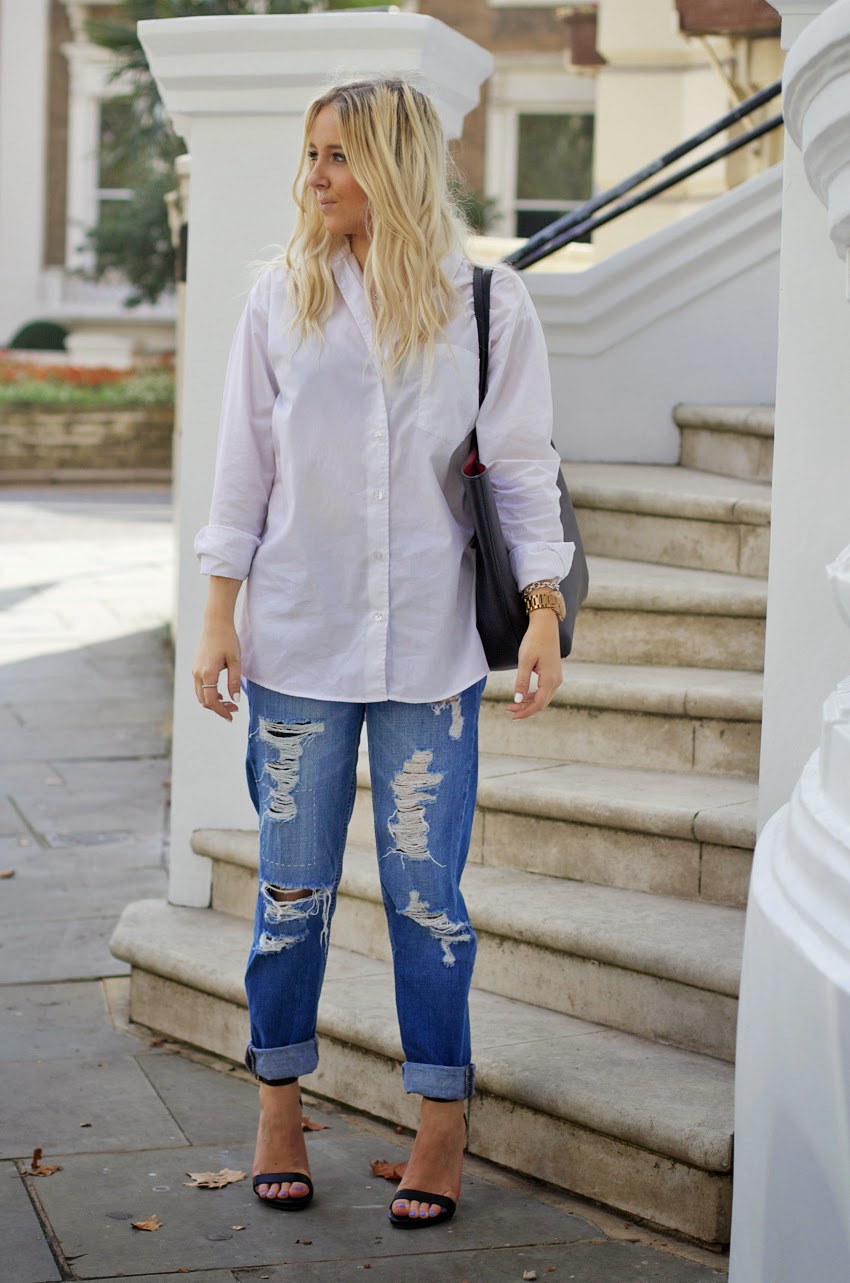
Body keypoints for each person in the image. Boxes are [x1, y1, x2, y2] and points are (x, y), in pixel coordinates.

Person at [191, 77, 574, 1229]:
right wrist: (217, 614)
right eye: (309, 157)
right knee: (291, 894)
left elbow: (518, 464)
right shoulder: (278, 301)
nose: (313, 179)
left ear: (395, 164)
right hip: (297, 647)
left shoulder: (489, 304)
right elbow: (241, 471)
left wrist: (546, 608)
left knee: (428, 901)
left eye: (335, 158)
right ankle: (277, 1103)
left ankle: (441, 1118)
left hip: (431, 654)